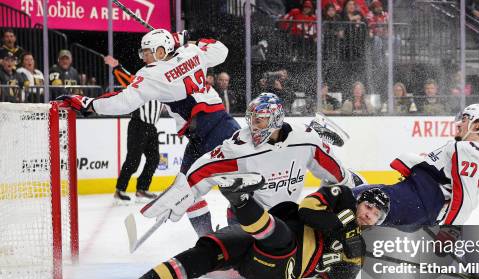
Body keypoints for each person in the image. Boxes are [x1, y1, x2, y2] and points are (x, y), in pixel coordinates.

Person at [107, 176, 389, 279]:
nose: (368, 215)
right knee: (206, 254)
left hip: (283, 269)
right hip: (259, 238)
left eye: (376, 214)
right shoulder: (338, 198)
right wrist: (344, 226)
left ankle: (241, 200)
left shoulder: (355, 253)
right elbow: (306, 212)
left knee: (279, 238)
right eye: (368, 207)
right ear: (358, 201)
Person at [58, 29, 241, 236]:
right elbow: (221, 50)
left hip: (209, 133)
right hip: (219, 127)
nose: (143, 56)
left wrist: (88, 103)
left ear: (162, 51)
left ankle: (229, 237)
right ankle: (215, 238)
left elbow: (122, 102)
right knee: (198, 191)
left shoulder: (153, 74)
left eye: (147, 52)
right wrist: (183, 39)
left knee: (208, 190)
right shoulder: (192, 51)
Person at [140, 93, 359, 236]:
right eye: (252, 118)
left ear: (275, 119)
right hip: (246, 219)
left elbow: (336, 175)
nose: (253, 124)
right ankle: (212, 242)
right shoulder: (239, 146)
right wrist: (184, 192)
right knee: (237, 276)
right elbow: (205, 169)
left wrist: (352, 188)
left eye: (260, 119)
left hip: (285, 220)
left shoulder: (305, 140)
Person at [353, 104, 479, 226]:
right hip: (415, 199)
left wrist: (449, 232)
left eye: (465, 120)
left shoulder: (469, 150)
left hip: (415, 202)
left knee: (350, 199)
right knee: (355, 197)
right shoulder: (471, 150)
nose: (459, 123)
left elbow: (465, 200)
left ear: (477, 125)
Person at [103, 55, 163, 204]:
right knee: (133, 160)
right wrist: (117, 66)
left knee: (154, 159)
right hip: (138, 125)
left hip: (151, 127)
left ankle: (142, 189)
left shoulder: (164, 85)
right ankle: (120, 191)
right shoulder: (143, 81)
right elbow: (128, 80)